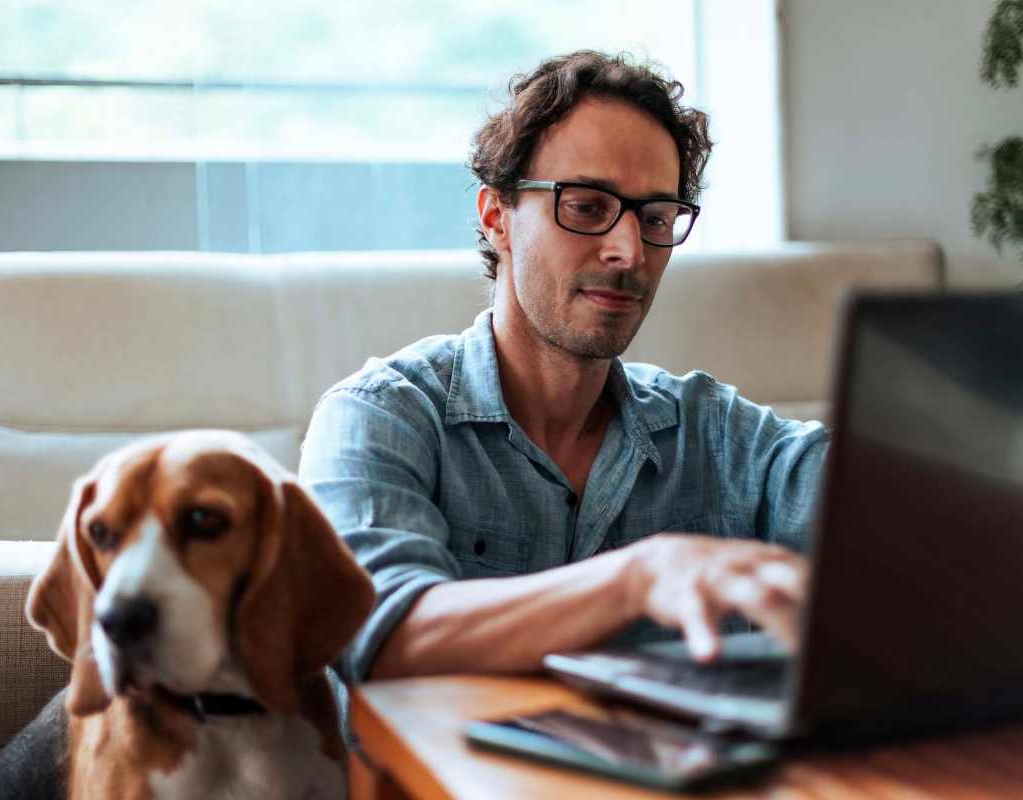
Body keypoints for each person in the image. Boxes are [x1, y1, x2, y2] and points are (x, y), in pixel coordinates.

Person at [298, 51, 828, 689]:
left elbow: (879, 496)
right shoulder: (380, 417)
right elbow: (375, 633)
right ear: (497, 217)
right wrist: (640, 578)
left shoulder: (710, 432)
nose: (628, 250)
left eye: (656, 218)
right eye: (585, 206)